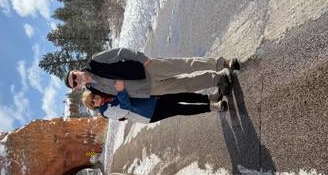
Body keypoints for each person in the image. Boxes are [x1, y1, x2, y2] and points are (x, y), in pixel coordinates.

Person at [65, 47, 240, 98]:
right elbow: (119, 96)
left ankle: (222, 63)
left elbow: (120, 52)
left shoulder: (95, 61)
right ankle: (216, 80)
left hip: (146, 69)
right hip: (148, 90)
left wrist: (141, 58)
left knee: (186, 65)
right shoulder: (94, 90)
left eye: (74, 76)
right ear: (76, 88)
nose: (76, 79)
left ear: (75, 71)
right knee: (185, 86)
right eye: (74, 82)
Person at [82, 80, 227, 124]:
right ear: (94, 107)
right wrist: (121, 91)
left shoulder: (107, 94)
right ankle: (212, 107)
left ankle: (209, 98)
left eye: (93, 97)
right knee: (179, 108)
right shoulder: (105, 111)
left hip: (150, 98)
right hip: (148, 113)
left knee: (180, 95)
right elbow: (125, 108)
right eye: (93, 102)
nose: (96, 100)